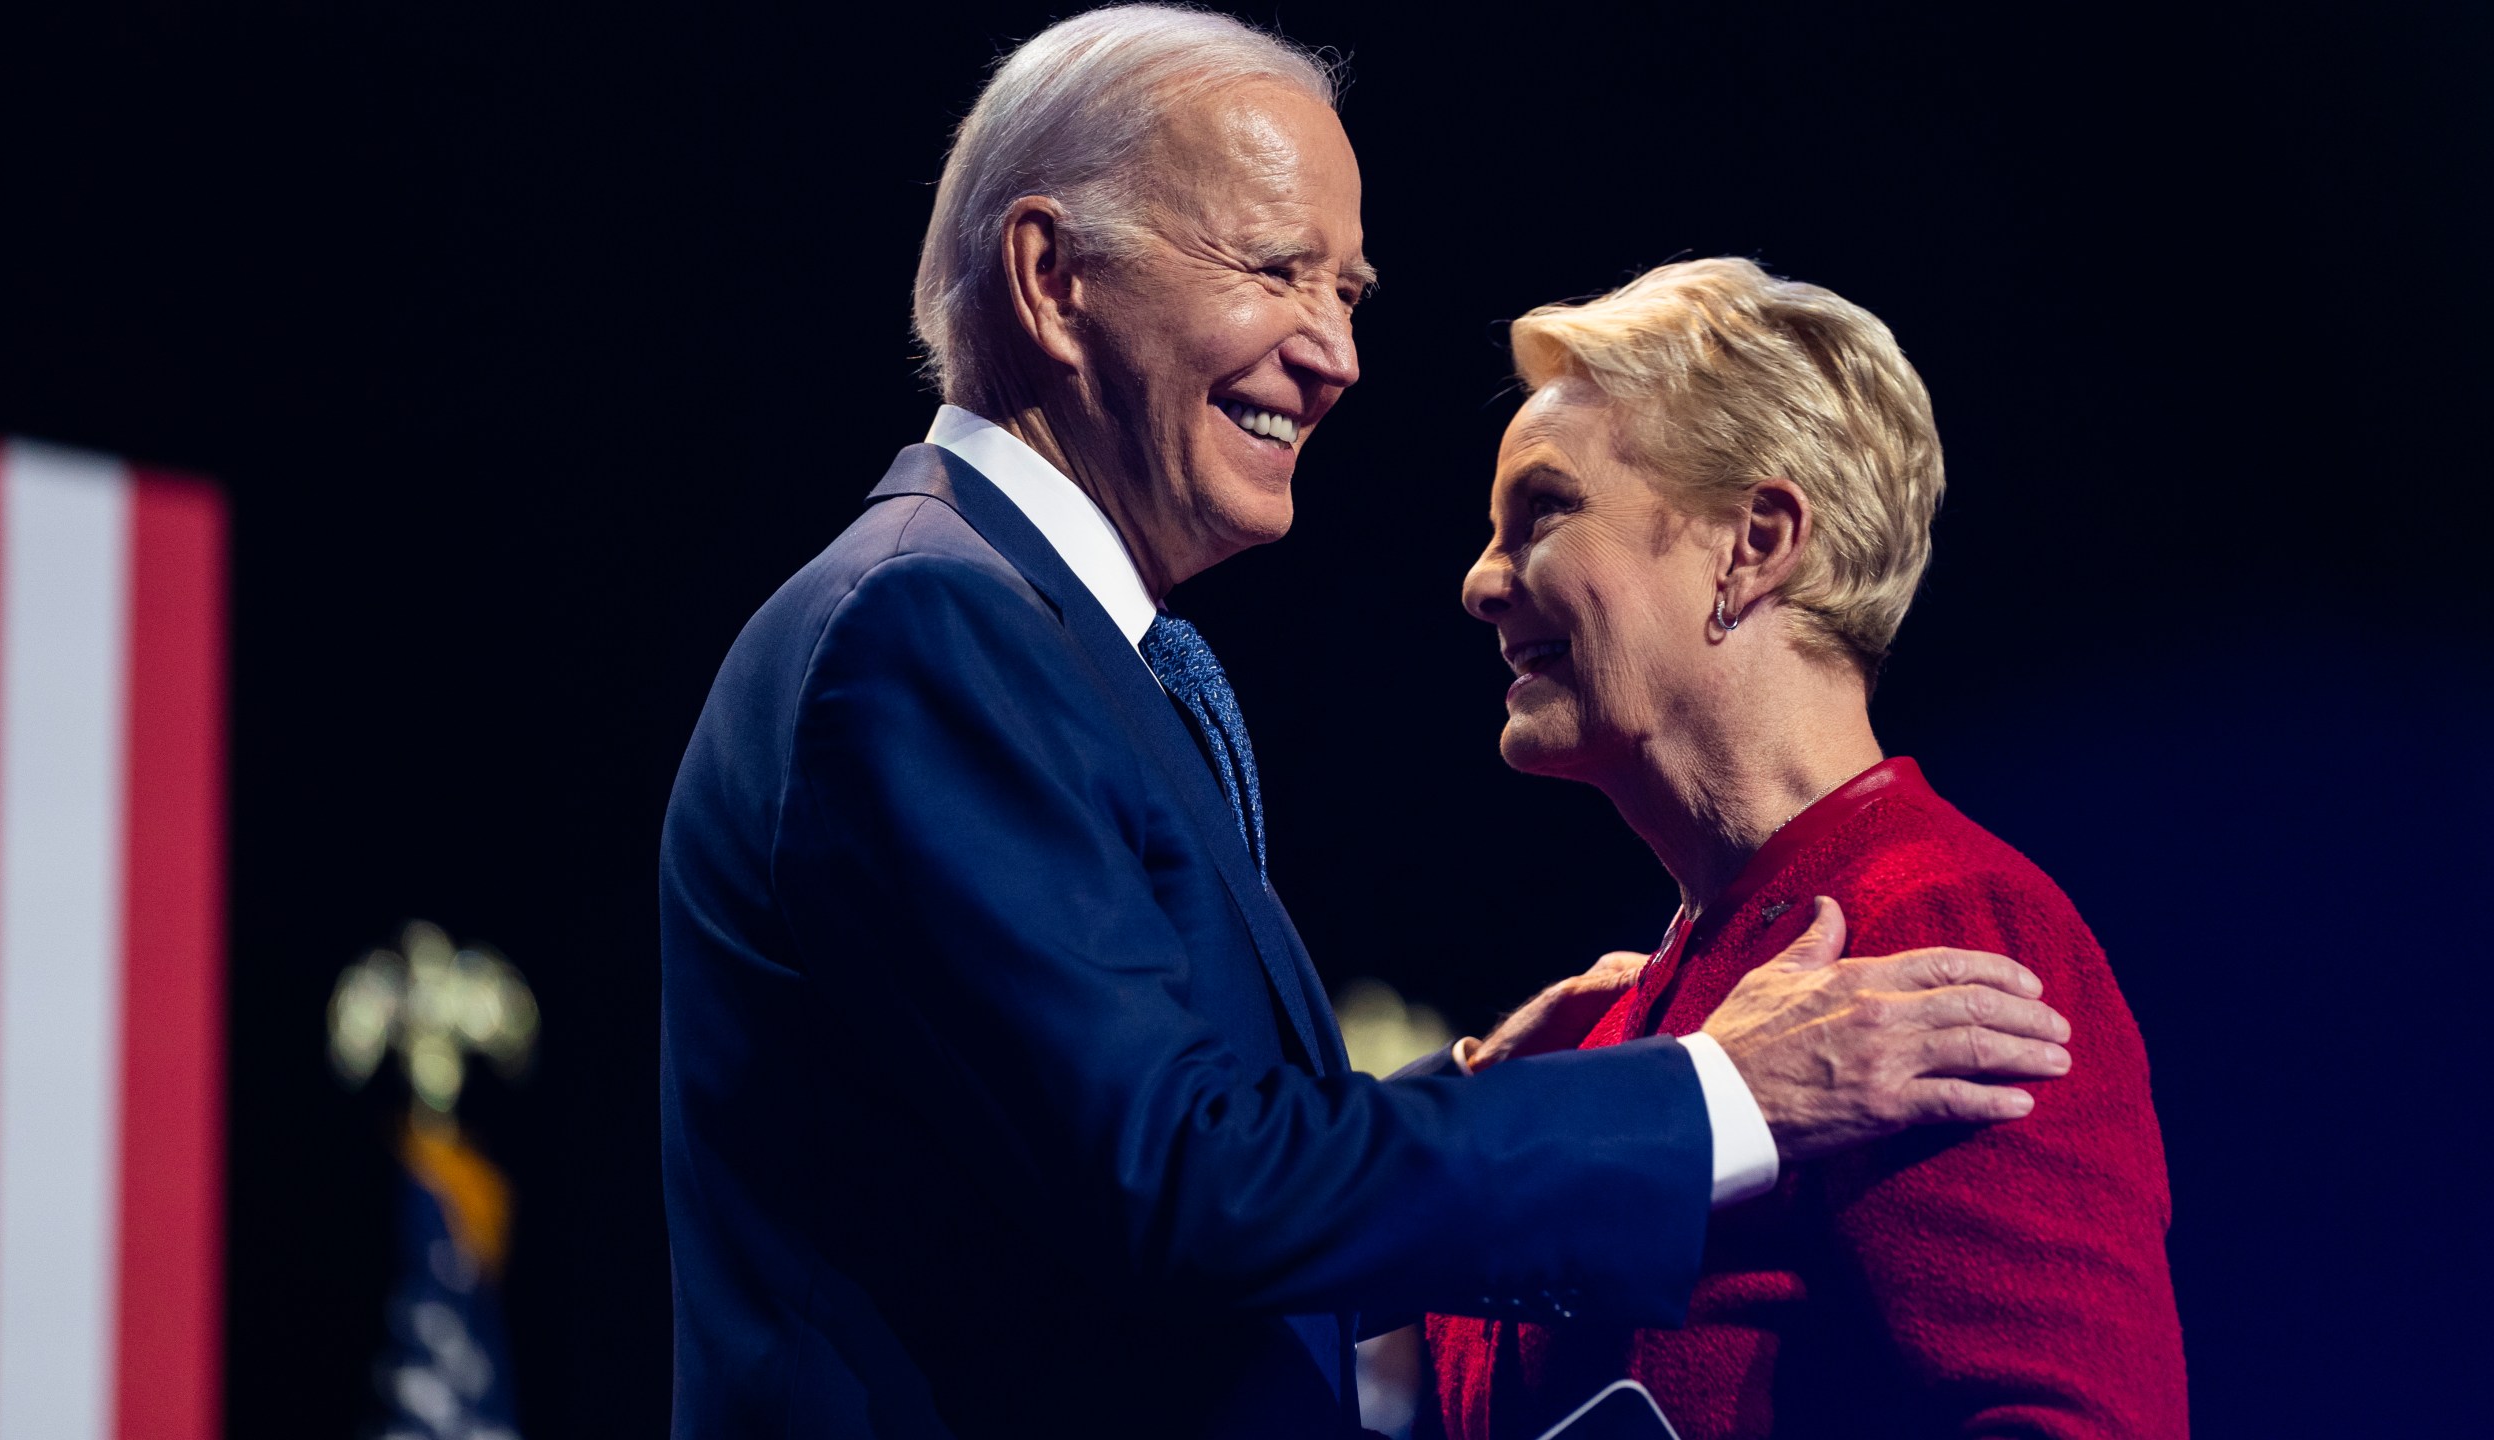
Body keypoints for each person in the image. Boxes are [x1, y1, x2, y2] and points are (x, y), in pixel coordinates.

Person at [657, 10, 2072, 1436]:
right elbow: (1178, 1184)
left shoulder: (1028, 639)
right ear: (1054, 277)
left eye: (1348, 291)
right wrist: (1717, 1098)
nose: (1334, 354)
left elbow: (1089, 1175)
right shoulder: (932, 630)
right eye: (1275, 271)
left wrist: (1467, 1103)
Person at [1423, 258, 2186, 1439]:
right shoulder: (1610, 1035)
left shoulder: (1938, 925)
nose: (1480, 581)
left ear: (1754, 541)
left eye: (1544, 512)